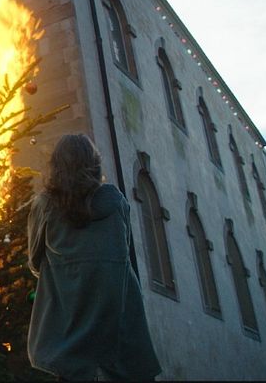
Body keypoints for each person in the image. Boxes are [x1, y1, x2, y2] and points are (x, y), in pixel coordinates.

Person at [27, 134, 162, 381]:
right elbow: (124, 250)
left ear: (56, 165)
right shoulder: (116, 201)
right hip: (121, 331)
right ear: (94, 163)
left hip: (68, 334)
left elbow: (35, 261)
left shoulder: (44, 204)